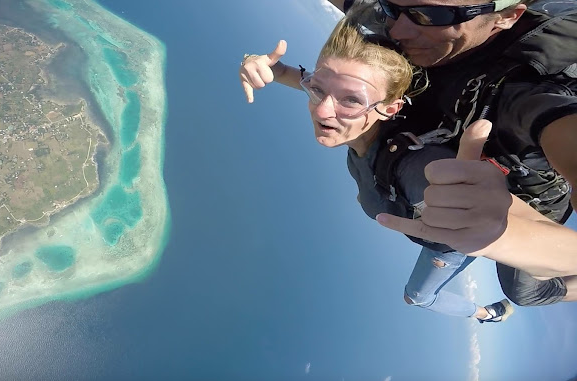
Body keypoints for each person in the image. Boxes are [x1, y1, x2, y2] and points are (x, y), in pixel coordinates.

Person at [239, 0, 577, 307]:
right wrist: (274, 71)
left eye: (432, 14)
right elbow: (336, 84)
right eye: (391, 6)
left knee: (521, 293)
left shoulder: (416, 162)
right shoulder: (388, 38)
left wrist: (507, 234)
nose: (399, 29)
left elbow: (561, 132)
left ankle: (508, 307)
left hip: (512, 206)